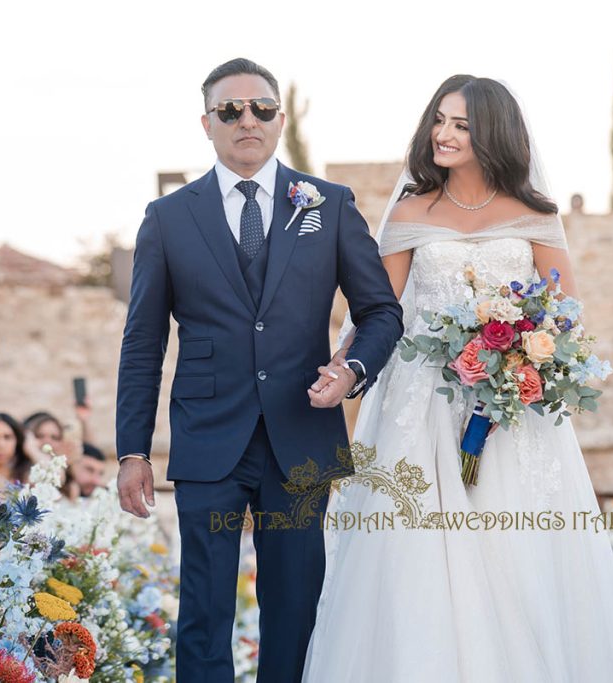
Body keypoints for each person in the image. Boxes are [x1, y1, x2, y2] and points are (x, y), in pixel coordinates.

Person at [302, 76, 613, 682]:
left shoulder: (535, 215)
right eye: (440, 120)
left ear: (493, 133)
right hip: (421, 405)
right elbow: (377, 311)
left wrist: (519, 361)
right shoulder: (409, 212)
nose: (444, 133)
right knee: (417, 556)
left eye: (461, 124)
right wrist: (342, 366)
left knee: (513, 551)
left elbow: (563, 315)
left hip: (510, 415)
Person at [114, 58, 402, 682]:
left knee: (296, 614)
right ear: (207, 123)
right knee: (203, 614)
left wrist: (351, 370)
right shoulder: (167, 218)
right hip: (206, 436)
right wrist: (131, 449)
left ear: (280, 118)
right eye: (231, 110)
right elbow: (142, 342)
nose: (248, 120)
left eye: (262, 108)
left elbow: (381, 312)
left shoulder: (328, 204)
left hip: (302, 433)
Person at [0, 412, 34, 489]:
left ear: (17, 440)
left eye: (7, 437)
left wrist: (33, 450)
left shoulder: (28, 477)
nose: (1, 445)